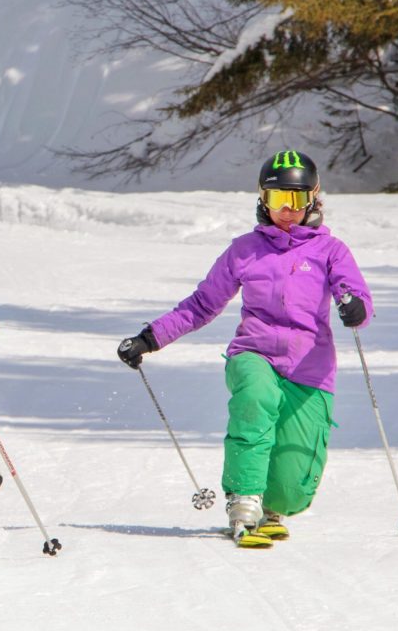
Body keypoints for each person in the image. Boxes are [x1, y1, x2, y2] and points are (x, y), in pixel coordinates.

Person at [117, 149, 372, 547]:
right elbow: (202, 304)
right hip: (255, 353)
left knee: (292, 491)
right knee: (255, 399)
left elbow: (354, 293)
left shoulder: (330, 250)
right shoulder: (244, 250)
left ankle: (273, 507)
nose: (285, 212)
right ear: (261, 199)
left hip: (311, 368)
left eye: (295, 201)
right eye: (275, 201)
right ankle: (244, 501)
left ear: (313, 198)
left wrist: (354, 306)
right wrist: (151, 337)